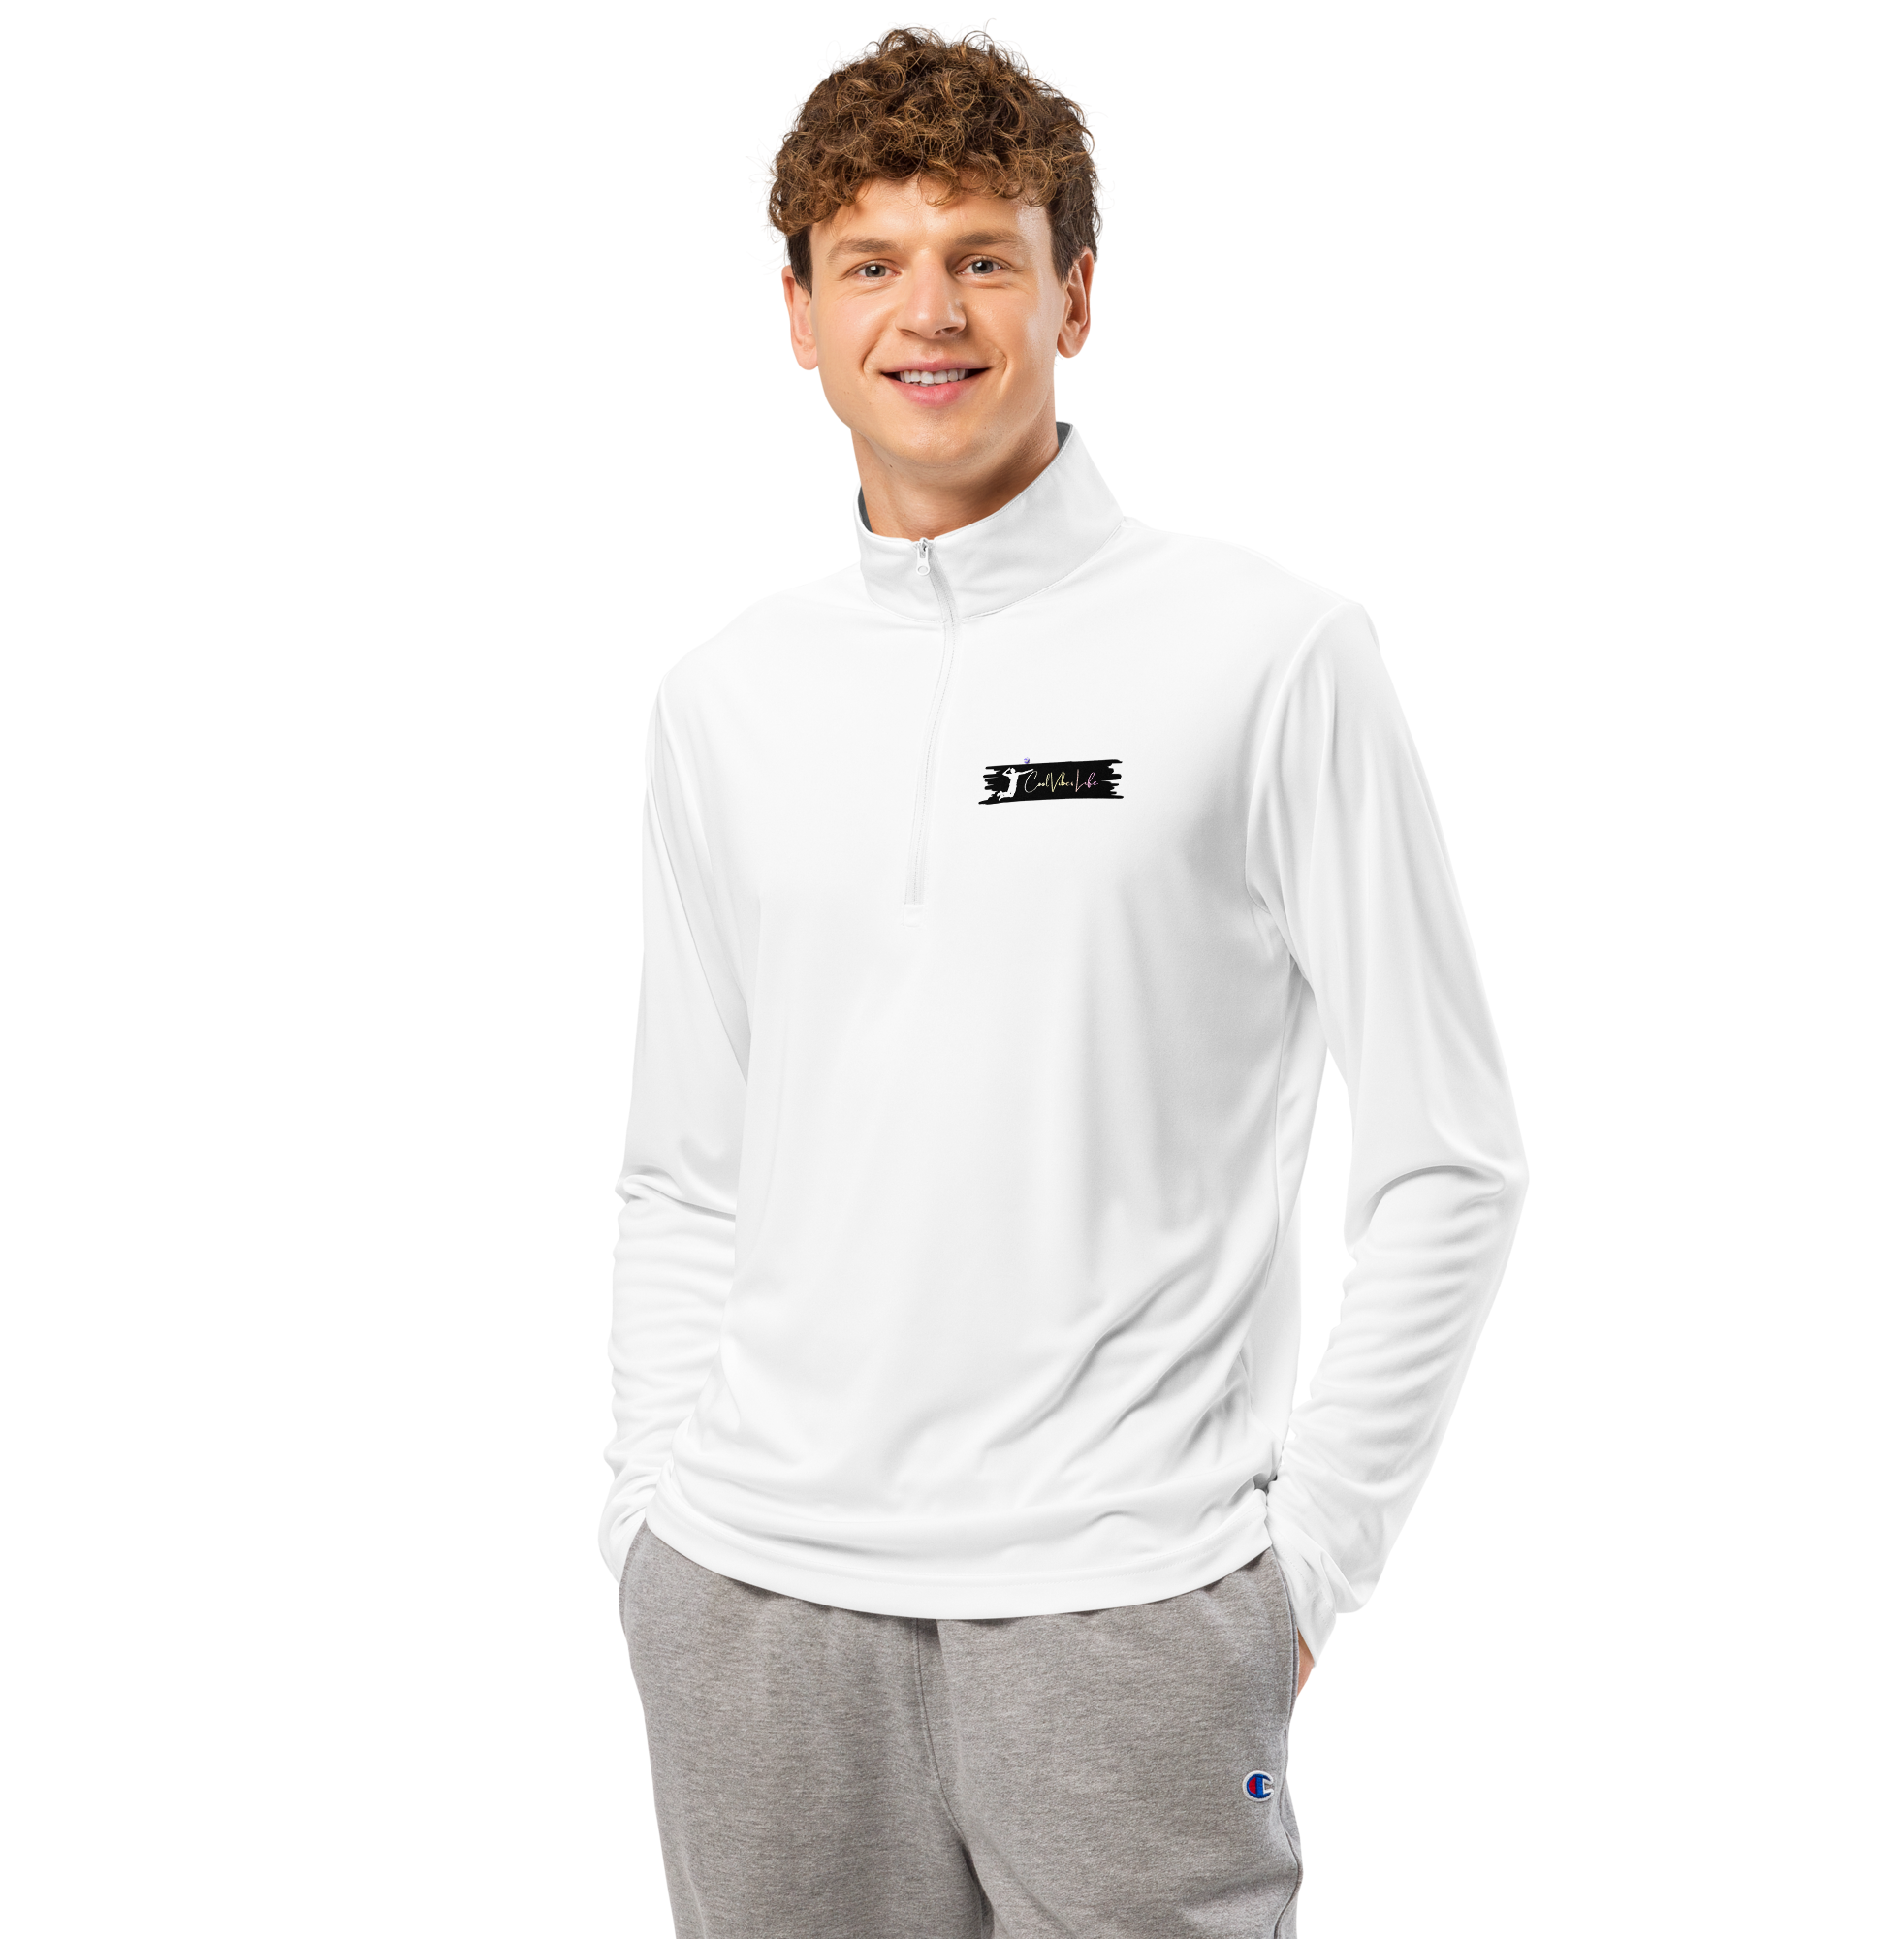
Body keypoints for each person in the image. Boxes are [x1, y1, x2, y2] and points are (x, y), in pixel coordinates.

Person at [603, 22, 1526, 1936]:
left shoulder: (1270, 658)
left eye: (981, 257)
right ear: (797, 322)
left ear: (1073, 300)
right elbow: (688, 1172)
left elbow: (1441, 1159)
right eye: (871, 262)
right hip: (756, 1609)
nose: (928, 313)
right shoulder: (726, 702)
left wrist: (1294, 1569)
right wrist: (647, 1531)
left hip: (1130, 1610)